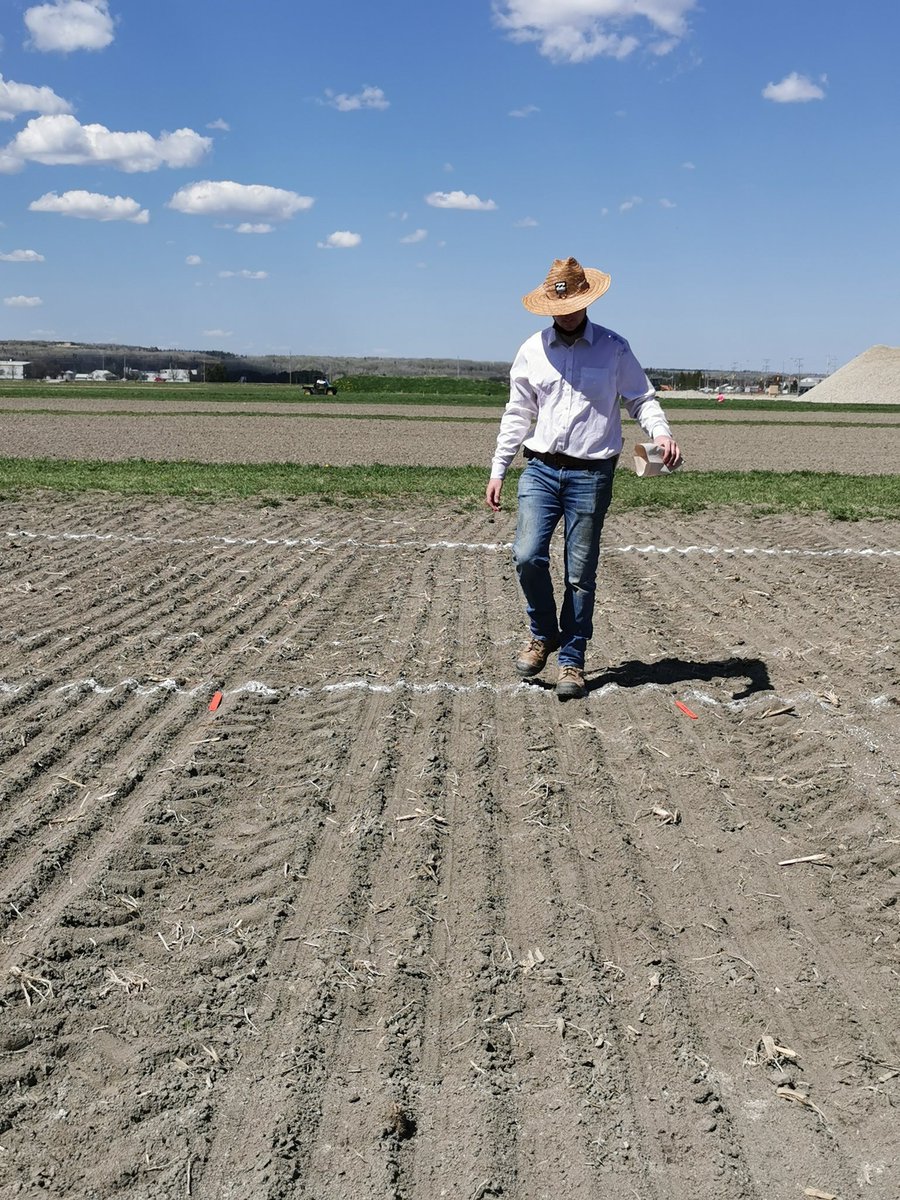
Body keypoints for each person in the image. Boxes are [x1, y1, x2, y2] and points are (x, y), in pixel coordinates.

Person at [485, 256, 681, 699]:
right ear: (548, 307)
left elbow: (641, 399)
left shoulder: (615, 348)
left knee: (580, 572)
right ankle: (543, 634)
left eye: (574, 302)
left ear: (587, 300)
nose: (567, 311)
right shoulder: (531, 350)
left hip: (592, 474)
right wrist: (499, 468)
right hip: (540, 468)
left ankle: (572, 661)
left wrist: (661, 432)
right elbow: (518, 413)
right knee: (526, 555)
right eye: (559, 305)